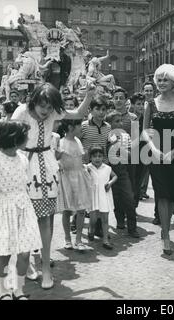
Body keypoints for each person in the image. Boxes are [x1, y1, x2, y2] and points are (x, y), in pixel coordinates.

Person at [11, 82, 95, 289]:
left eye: (50, 107)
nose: (46, 111)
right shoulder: (22, 111)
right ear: (34, 100)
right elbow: (7, 134)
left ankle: (46, 267)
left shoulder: (54, 113)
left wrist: (89, 95)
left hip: (47, 168)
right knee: (24, 218)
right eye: (42, 105)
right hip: (24, 166)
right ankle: (27, 262)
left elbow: (77, 113)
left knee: (46, 220)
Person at [0, 121, 42, 300]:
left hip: (23, 210)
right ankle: (4, 290)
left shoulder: (23, 158)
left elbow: (24, 186)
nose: (28, 138)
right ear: (14, 139)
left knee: (25, 253)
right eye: (25, 135)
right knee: (4, 254)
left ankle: (18, 289)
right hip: (2, 212)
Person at [142, 64, 174, 255]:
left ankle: (166, 225)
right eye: (159, 80)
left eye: (165, 80)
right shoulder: (151, 103)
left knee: (171, 193)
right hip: (156, 152)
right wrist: (154, 149)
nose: (161, 83)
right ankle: (166, 233)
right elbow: (145, 130)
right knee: (161, 193)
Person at [56, 119, 92, 252]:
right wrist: (59, 164)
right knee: (67, 209)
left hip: (79, 177)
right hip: (66, 177)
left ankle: (78, 240)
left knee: (81, 209)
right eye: (79, 126)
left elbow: (80, 159)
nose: (81, 128)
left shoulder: (78, 141)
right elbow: (56, 158)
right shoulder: (61, 143)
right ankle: (67, 239)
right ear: (71, 127)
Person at [79, 97, 111, 239]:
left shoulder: (108, 127)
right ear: (90, 110)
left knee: (100, 197)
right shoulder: (84, 125)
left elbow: (107, 145)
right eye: (97, 109)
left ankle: (98, 228)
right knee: (85, 197)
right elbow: (78, 143)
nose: (100, 112)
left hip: (101, 167)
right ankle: (77, 221)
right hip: (86, 167)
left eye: (103, 109)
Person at [106, 110, 140, 238]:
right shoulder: (106, 135)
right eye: (116, 121)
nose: (120, 124)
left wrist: (120, 147)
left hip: (122, 170)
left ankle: (132, 227)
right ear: (109, 124)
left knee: (129, 198)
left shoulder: (125, 137)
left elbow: (131, 155)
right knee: (116, 198)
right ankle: (120, 221)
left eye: (121, 121)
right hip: (108, 171)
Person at [86, 146, 117, 250]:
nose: (97, 159)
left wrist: (110, 182)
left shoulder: (107, 168)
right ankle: (91, 229)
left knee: (105, 218)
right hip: (93, 195)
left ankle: (105, 240)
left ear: (103, 157)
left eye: (100, 156)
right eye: (94, 156)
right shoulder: (88, 167)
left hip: (104, 195)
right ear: (90, 157)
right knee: (93, 218)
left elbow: (115, 176)